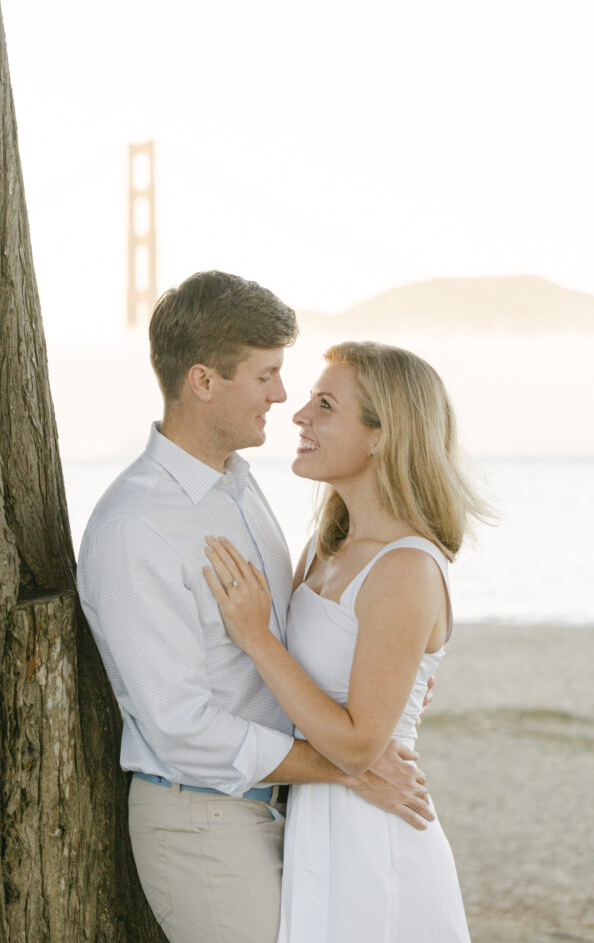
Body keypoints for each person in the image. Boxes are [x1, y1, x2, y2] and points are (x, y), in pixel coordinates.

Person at [77, 273, 434, 943]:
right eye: (267, 374)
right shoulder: (137, 527)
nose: (281, 396)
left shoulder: (238, 487)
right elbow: (180, 726)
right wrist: (350, 765)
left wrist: (390, 684)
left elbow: (286, 639)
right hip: (203, 824)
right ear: (204, 382)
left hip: (280, 814)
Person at [204, 340, 484, 942]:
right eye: (309, 400)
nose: (300, 415)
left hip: (374, 832)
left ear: (383, 435)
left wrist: (256, 637)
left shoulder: (405, 568)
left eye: (325, 404)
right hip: (315, 817)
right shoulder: (326, 548)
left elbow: (358, 747)